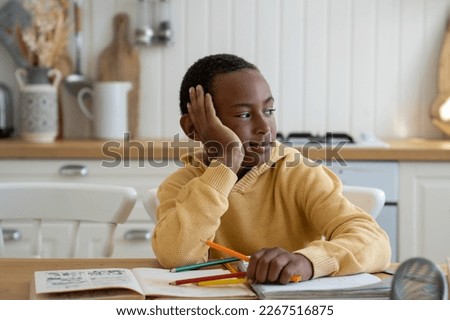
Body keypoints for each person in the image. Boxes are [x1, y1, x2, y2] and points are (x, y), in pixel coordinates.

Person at [151, 53, 391, 284]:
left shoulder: (298, 173)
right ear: (193, 127)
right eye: (245, 114)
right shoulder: (181, 184)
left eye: (269, 111)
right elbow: (178, 256)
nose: (264, 127)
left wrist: (307, 262)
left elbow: (375, 242)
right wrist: (227, 160)